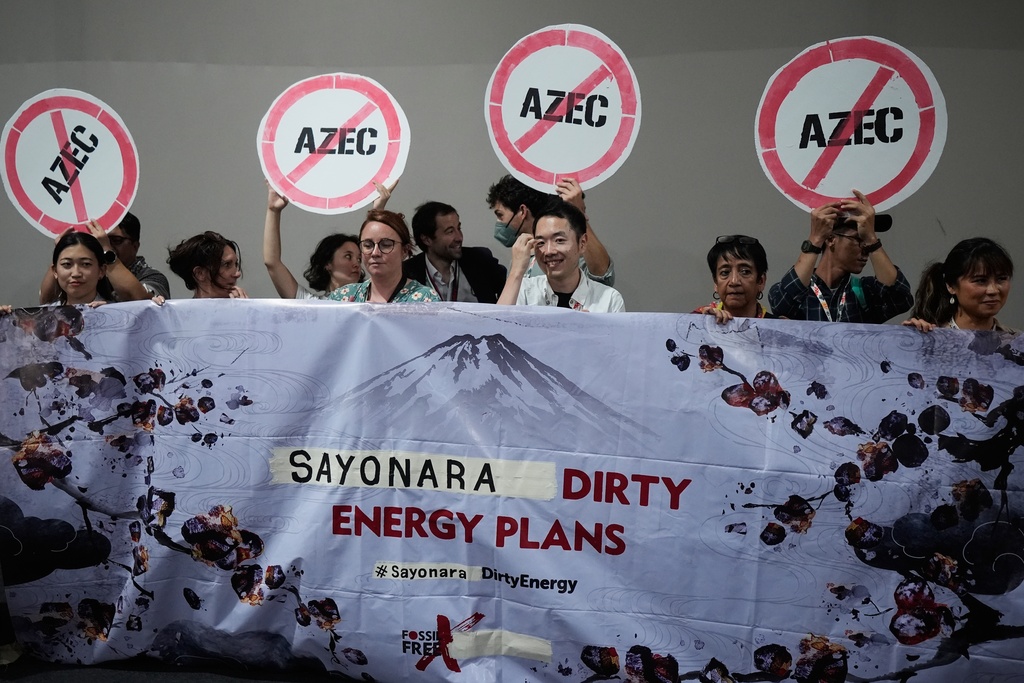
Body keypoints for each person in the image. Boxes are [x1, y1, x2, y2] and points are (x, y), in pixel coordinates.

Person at [768, 190, 912, 323]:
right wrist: (815, 239)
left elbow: (900, 298)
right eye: (859, 240)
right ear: (831, 239)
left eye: (867, 241)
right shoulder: (802, 291)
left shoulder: (864, 292)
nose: (866, 249)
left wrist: (872, 240)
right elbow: (781, 304)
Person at [263, 180, 396, 299]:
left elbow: (374, 240)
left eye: (359, 259)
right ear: (328, 264)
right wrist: (273, 210)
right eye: (348, 256)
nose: (356, 264)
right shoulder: (310, 303)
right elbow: (272, 262)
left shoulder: (372, 298)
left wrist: (378, 209)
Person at [486, 174, 615, 286]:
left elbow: (603, 277)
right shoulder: (520, 255)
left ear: (523, 211)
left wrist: (578, 213)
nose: (548, 252)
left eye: (500, 215)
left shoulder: (564, 250)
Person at [498, 200, 624, 312]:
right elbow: (494, 329)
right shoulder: (524, 291)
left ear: (582, 243)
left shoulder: (609, 300)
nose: (548, 251)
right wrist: (516, 272)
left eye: (559, 240)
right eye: (541, 242)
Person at [903, 238, 1015, 333]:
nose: (993, 290)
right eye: (981, 280)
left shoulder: (1016, 343)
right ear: (951, 286)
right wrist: (909, 339)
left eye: (1002, 279)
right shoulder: (929, 338)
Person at [403, 201, 507, 303]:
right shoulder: (408, 272)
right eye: (450, 231)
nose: (459, 237)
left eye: (459, 228)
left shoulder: (480, 260)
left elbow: (513, 291)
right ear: (427, 239)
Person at [327, 210, 439, 303]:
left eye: (386, 245)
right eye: (368, 245)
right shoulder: (342, 298)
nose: (375, 253)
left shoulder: (425, 300)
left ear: (404, 251)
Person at [39, 222, 155, 305]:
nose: (76, 273)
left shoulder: (117, 313)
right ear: (55, 271)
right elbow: (45, 299)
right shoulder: (45, 317)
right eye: (67, 264)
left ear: (102, 271)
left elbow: (141, 300)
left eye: (85, 264)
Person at [694, 235, 776, 322]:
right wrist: (703, 325)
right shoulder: (697, 321)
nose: (734, 281)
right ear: (715, 282)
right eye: (725, 272)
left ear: (761, 281)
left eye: (745, 272)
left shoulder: (779, 328)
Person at [167, 232, 247, 299]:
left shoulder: (242, 310)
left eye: (236, 264)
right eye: (226, 264)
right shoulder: (181, 316)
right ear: (200, 273)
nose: (237, 274)